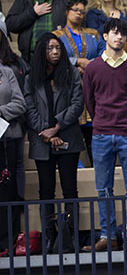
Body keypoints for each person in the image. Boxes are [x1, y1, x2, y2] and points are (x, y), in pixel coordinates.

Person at [82, 18, 127, 252]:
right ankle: (107, 235)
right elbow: (89, 101)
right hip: (101, 134)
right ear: (104, 37)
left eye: (123, 34)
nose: (118, 37)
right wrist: (102, 119)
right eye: (114, 33)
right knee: (103, 188)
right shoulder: (93, 68)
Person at [23, 33, 85, 254]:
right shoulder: (31, 77)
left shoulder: (71, 74)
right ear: (42, 51)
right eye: (50, 48)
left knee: (70, 190)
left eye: (58, 48)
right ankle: (50, 236)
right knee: (45, 191)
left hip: (68, 137)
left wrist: (56, 127)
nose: (55, 52)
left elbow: (78, 104)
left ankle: (70, 237)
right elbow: (28, 108)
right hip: (42, 141)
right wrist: (46, 133)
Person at [54, 0, 106, 161]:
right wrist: (76, 62)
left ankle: (97, 166)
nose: (79, 14)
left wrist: (89, 66)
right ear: (67, 12)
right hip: (67, 87)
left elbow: (103, 56)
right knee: (70, 130)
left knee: (93, 134)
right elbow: (53, 57)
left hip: (92, 87)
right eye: (75, 10)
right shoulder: (56, 35)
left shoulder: (93, 34)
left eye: (82, 12)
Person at [0, 30, 30, 201]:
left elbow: (21, 102)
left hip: (11, 130)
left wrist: (2, 111)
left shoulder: (11, 67)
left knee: (13, 172)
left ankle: (16, 217)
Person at [0, 63, 26, 256]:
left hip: (5, 138)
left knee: (6, 189)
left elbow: (20, 103)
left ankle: (6, 242)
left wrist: (1, 111)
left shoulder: (6, 72)